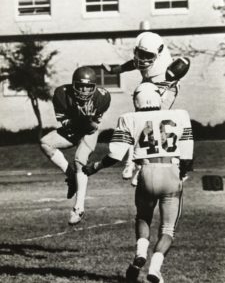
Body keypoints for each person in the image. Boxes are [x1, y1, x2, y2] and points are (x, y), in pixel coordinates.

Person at [83, 83, 194, 283]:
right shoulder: (180, 115)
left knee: (143, 218)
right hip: (171, 171)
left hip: (147, 172)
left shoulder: (128, 118)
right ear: (158, 98)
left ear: (136, 100)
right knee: (168, 230)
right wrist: (182, 173)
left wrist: (95, 167)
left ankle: (140, 254)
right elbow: (187, 156)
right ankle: (155, 269)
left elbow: (115, 155)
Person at [102, 31, 190, 184]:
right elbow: (133, 63)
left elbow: (172, 81)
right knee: (138, 123)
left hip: (165, 88)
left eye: (147, 55)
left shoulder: (165, 69)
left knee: (151, 125)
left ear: (159, 52)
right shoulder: (145, 56)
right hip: (149, 85)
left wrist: (160, 95)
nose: (142, 59)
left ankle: (141, 167)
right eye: (140, 53)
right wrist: (115, 71)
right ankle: (133, 164)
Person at [40, 66, 111, 225]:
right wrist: (79, 120)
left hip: (89, 131)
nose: (85, 91)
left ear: (94, 87)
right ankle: (71, 176)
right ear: (74, 85)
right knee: (45, 143)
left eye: (88, 87)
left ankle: (79, 208)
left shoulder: (103, 97)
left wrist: (88, 121)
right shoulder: (61, 94)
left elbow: (92, 126)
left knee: (80, 162)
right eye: (81, 86)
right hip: (72, 128)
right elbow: (65, 122)